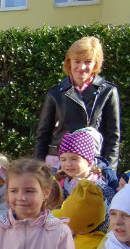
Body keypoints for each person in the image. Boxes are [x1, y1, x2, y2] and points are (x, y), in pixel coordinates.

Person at [35, 36, 121, 171]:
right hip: (59, 164)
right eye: (77, 61)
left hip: (92, 165)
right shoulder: (55, 93)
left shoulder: (108, 92)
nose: (82, 67)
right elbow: (42, 136)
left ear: (95, 64)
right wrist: (38, 171)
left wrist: (109, 172)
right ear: (69, 62)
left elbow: (113, 138)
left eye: (88, 61)